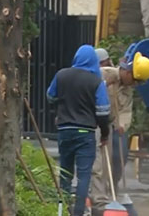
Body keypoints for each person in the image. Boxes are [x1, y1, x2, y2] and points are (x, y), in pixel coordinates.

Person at [47, 45, 111, 216]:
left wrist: (61, 108)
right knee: (84, 176)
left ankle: (63, 210)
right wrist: (105, 133)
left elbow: (50, 96)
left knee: (65, 173)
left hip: (65, 131)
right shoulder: (96, 81)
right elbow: (103, 111)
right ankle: (79, 212)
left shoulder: (61, 75)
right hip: (86, 133)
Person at [89, 48, 149, 216]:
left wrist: (122, 124)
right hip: (93, 123)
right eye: (135, 79)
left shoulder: (127, 90)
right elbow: (87, 89)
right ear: (126, 71)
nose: (135, 84)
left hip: (110, 126)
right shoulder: (104, 74)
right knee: (99, 164)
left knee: (116, 159)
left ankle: (112, 192)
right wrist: (103, 86)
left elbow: (126, 110)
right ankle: (99, 201)